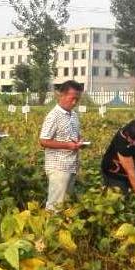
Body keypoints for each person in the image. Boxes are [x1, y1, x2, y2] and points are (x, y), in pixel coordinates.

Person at [39, 80, 85, 211]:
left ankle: (61, 229)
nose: (75, 102)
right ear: (62, 95)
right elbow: (43, 140)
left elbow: (73, 136)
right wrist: (67, 145)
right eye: (72, 99)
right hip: (58, 166)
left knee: (66, 203)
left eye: (78, 99)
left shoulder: (74, 115)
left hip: (71, 165)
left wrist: (79, 141)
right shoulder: (53, 116)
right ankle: (49, 230)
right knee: (55, 205)